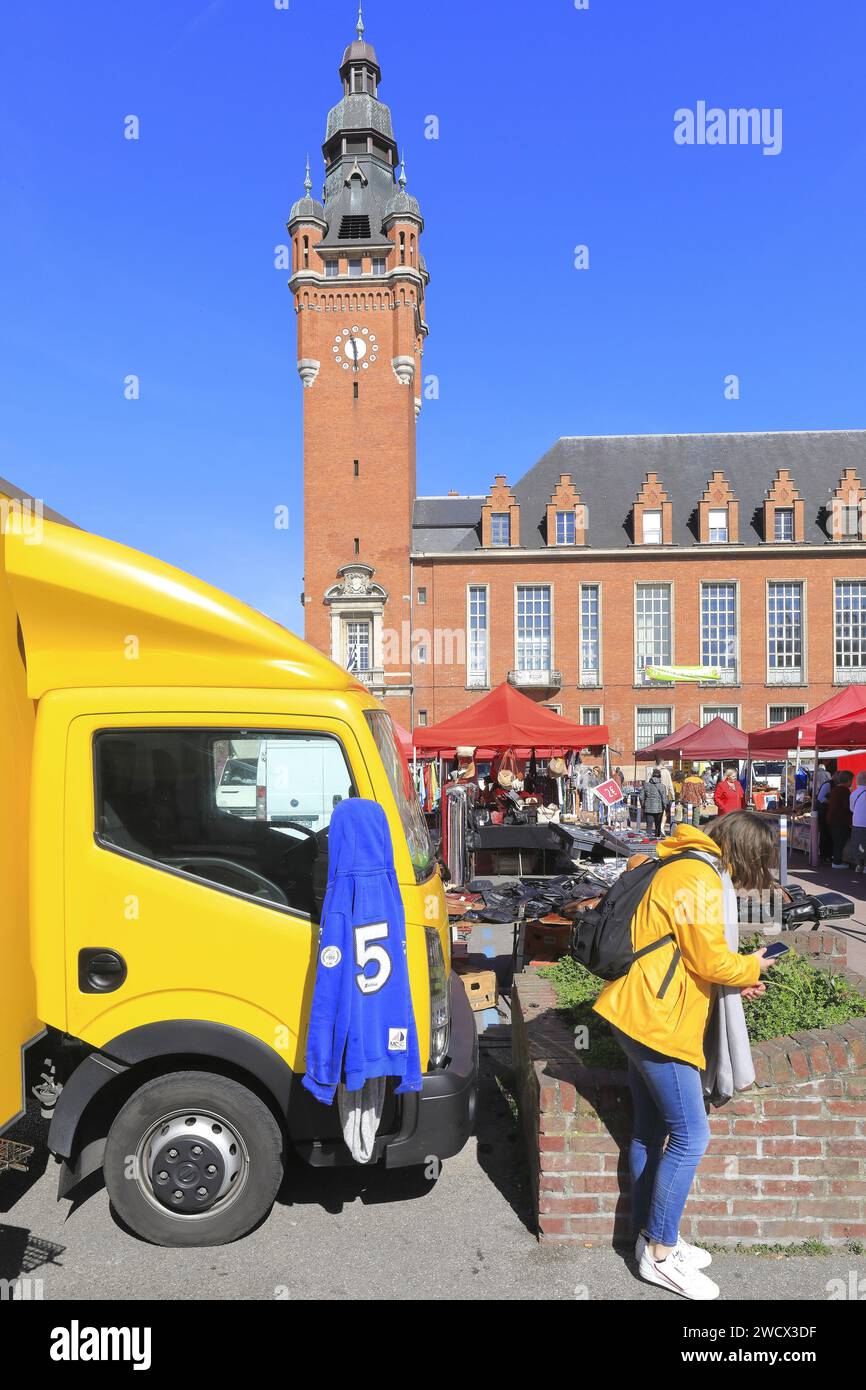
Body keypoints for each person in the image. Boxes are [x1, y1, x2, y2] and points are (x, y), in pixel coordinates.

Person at [593, 813, 777, 1301]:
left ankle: (647, 1234)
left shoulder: (679, 859)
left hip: (636, 1009)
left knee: (650, 1133)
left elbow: (687, 950)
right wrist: (752, 964)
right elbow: (708, 959)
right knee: (692, 1136)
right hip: (659, 1021)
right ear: (742, 852)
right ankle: (659, 1252)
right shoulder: (697, 874)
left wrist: (742, 976)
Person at [827, 769, 854, 869]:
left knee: (837, 840)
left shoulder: (835, 789)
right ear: (848, 780)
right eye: (851, 780)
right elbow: (848, 806)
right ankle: (837, 862)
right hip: (840, 820)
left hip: (833, 819)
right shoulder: (844, 791)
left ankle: (836, 859)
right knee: (840, 841)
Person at [639, 767, 670, 837]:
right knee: (658, 826)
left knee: (649, 827)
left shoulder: (646, 785)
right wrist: (666, 807)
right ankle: (657, 840)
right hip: (659, 810)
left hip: (648, 809)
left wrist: (643, 805)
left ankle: (647, 841)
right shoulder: (662, 786)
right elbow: (664, 799)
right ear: (660, 776)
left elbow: (641, 796)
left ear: (652, 776)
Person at [850, 772, 866, 874]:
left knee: (858, 845)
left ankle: (859, 865)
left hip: (857, 822)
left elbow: (852, 809)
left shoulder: (853, 793)